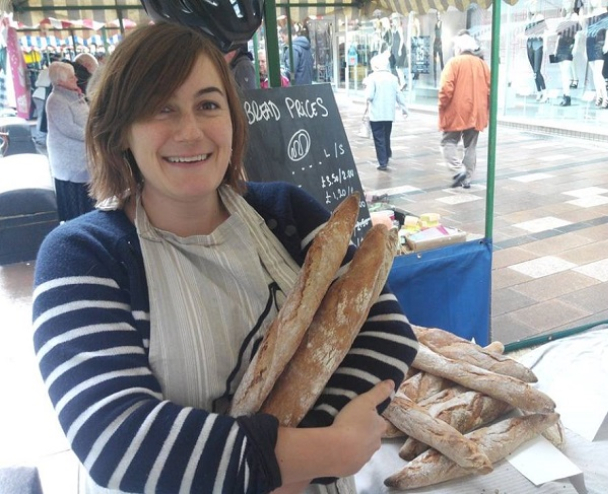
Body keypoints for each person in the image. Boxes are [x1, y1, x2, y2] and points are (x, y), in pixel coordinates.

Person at [32, 22, 418, 494]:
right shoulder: (83, 255)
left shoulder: (286, 212)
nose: (190, 131)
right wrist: (322, 452)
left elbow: (383, 327)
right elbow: (119, 440)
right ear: (119, 132)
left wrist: (300, 459)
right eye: (161, 109)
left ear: (233, 119)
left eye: (208, 105)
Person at [438, 32, 490, 189]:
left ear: (459, 48)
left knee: (448, 141)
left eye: (455, 46)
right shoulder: (483, 65)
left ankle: (457, 170)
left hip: (456, 111)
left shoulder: (454, 63)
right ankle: (466, 179)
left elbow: (446, 88)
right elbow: (490, 90)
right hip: (477, 113)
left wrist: (442, 106)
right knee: (470, 146)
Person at [45, 61, 94, 220]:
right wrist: (93, 136)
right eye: (71, 77)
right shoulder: (56, 100)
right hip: (70, 161)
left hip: (83, 157)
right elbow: (68, 128)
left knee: (88, 199)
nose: (75, 79)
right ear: (60, 81)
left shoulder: (75, 94)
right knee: (77, 205)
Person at [364, 52, 408, 171]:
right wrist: (404, 109)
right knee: (386, 135)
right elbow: (399, 95)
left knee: (378, 138)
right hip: (389, 114)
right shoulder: (393, 78)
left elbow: (369, 96)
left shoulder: (372, 78)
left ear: (376, 66)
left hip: (376, 114)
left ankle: (383, 162)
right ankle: (387, 153)